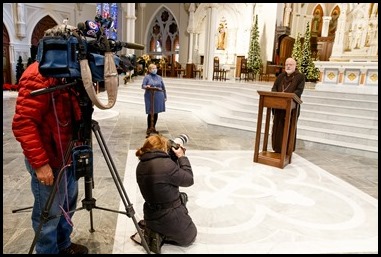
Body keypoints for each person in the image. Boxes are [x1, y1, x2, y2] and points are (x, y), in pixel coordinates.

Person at [12, 24, 89, 254]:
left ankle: (63, 245)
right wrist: (40, 164)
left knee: (68, 205)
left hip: (68, 155)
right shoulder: (37, 74)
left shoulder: (69, 71)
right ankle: (47, 250)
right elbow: (23, 123)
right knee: (49, 212)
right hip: (48, 157)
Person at [134, 134, 197, 254]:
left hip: (151, 214)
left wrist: (172, 158)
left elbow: (162, 179)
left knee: (179, 195)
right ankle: (163, 235)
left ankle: (155, 231)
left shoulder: (140, 165)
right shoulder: (167, 165)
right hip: (169, 215)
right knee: (190, 235)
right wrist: (182, 157)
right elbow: (189, 179)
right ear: (163, 148)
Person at [271, 57, 305, 153]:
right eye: (286, 64)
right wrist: (276, 96)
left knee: (289, 128)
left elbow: (298, 91)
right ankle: (277, 148)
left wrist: (287, 98)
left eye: (290, 64)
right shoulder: (281, 76)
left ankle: (287, 150)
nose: (288, 66)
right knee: (277, 127)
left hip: (292, 108)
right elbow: (274, 88)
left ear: (295, 66)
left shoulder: (300, 77)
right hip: (279, 107)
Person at [141, 63, 167, 136]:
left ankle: (154, 127)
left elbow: (163, 87)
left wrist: (165, 96)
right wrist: (146, 86)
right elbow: (143, 86)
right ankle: (149, 128)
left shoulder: (159, 77)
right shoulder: (147, 77)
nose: (154, 69)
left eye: (155, 68)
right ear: (149, 70)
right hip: (150, 96)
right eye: (153, 68)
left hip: (158, 96)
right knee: (150, 111)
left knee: (156, 112)